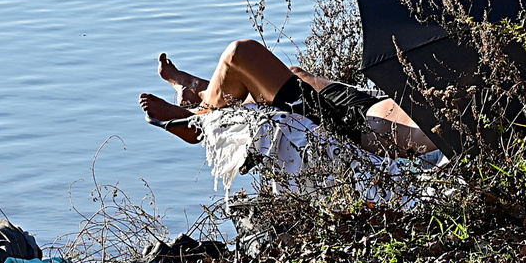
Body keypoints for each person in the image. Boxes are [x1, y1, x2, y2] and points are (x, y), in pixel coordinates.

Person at [138, 39, 437, 156]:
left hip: (356, 130)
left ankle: (200, 120)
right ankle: (200, 88)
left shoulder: (477, 119)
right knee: (294, 73)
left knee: (240, 55)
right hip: (364, 106)